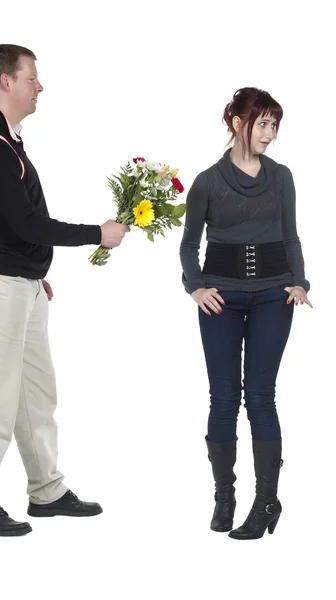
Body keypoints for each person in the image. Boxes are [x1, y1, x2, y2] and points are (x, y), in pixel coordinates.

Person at [0, 44, 130, 537]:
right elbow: (26, 221)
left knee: (35, 394)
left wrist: (32, 270)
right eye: (32, 77)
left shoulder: (8, 138)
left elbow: (9, 222)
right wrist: (98, 233)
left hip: (18, 282)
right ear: (5, 82)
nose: (40, 85)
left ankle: (46, 491)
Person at [179, 87, 312, 540]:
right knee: (222, 397)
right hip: (221, 297)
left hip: (274, 295)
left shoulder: (282, 177)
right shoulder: (207, 181)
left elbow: (291, 236)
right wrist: (195, 287)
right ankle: (224, 494)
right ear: (238, 122)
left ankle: (266, 501)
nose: (270, 134)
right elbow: (188, 244)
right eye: (263, 123)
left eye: (275, 125)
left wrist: (301, 281)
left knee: (260, 395)